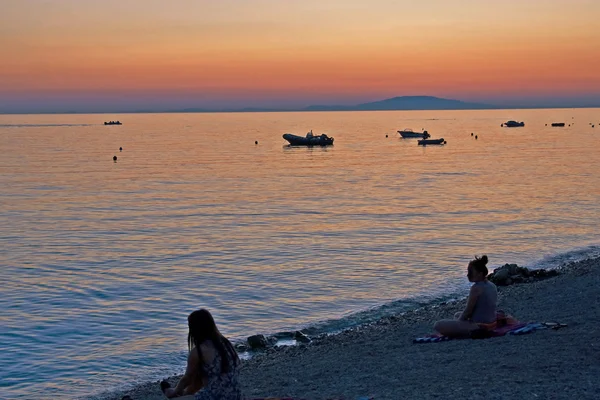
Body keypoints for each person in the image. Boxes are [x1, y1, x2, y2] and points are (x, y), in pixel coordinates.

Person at [162, 309, 242, 400]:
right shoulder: (226, 344)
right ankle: (181, 394)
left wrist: (175, 391)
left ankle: (171, 393)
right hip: (235, 396)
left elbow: (188, 378)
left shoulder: (199, 351)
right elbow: (198, 382)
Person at [434, 255, 497, 338]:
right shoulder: (492, 285)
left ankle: (470, 332)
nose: (468, 275)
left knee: (438, 325)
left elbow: (468, 311)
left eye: (471, 272)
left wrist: (459, 322)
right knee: (457, 314)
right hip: (491, 321)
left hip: (479, 325)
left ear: (480, 274)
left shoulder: (476, 288)